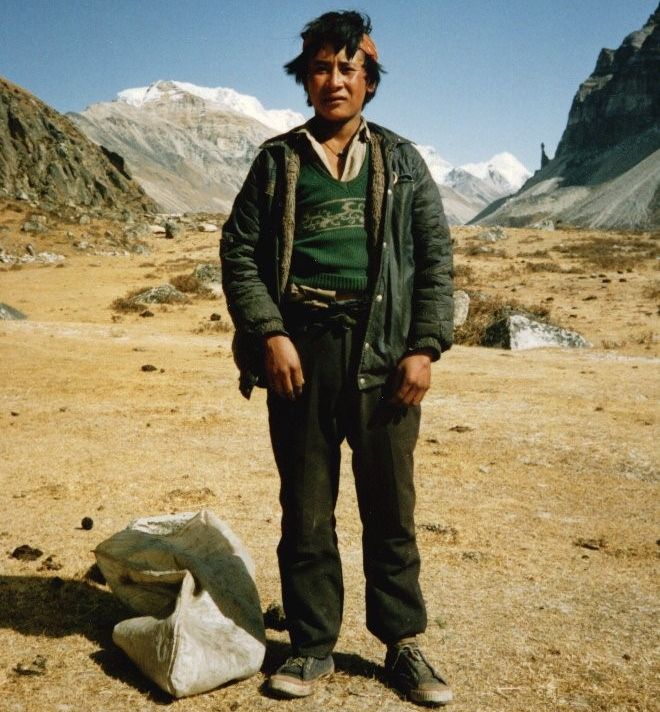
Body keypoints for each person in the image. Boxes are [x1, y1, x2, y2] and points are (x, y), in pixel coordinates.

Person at [221, 10, 454, 707]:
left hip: (384, 356)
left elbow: (436, 262)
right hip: (301, 355)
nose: (333, 80)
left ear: (369, 81)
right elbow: (238, 253)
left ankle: (403, 643)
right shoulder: (278, 159)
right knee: (307, 506)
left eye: (347, 68)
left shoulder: (403, 161)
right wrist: (269, 332)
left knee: (390, 506)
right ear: (306, 78)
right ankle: (313, 643)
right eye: (320, 67)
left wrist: (424, 346)